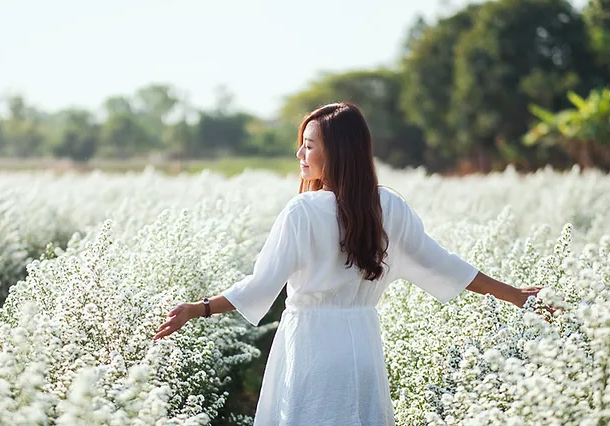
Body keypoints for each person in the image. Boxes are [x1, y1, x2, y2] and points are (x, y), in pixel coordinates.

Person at [153, 102, 548, 425]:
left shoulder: (302, 211)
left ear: (337, 151)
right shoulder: (389, 206)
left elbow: (260, 286)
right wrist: (514, 295)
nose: (299, 154)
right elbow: (443, 265)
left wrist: (199, 308)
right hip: (361, 346)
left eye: (309, 145)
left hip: (309, 345)